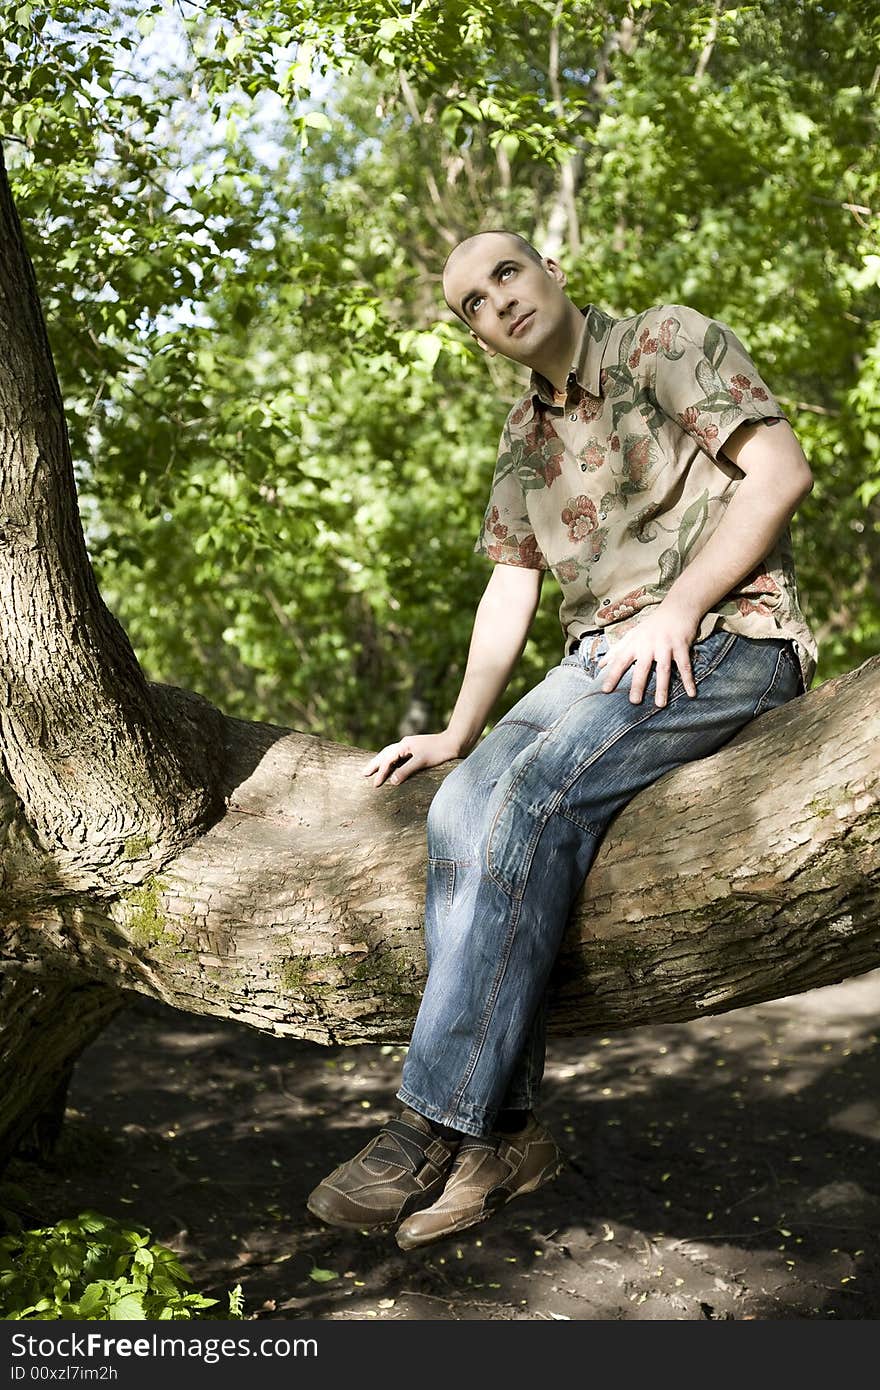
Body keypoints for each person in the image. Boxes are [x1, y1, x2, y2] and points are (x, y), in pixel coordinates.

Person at [307, 229, 817, 1251]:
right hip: (601, 665)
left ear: (551, 268)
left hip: (727, 635)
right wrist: (456, 730)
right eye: (469, 304)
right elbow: (511, 583)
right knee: (460, 805)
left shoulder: (664, 341)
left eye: (504, 273)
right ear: (477, 336)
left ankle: (429, 1125)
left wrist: (675, 609)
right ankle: (505, 1136)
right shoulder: (521, 437)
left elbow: (780, 474)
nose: (494, 302)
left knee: (535, 793)